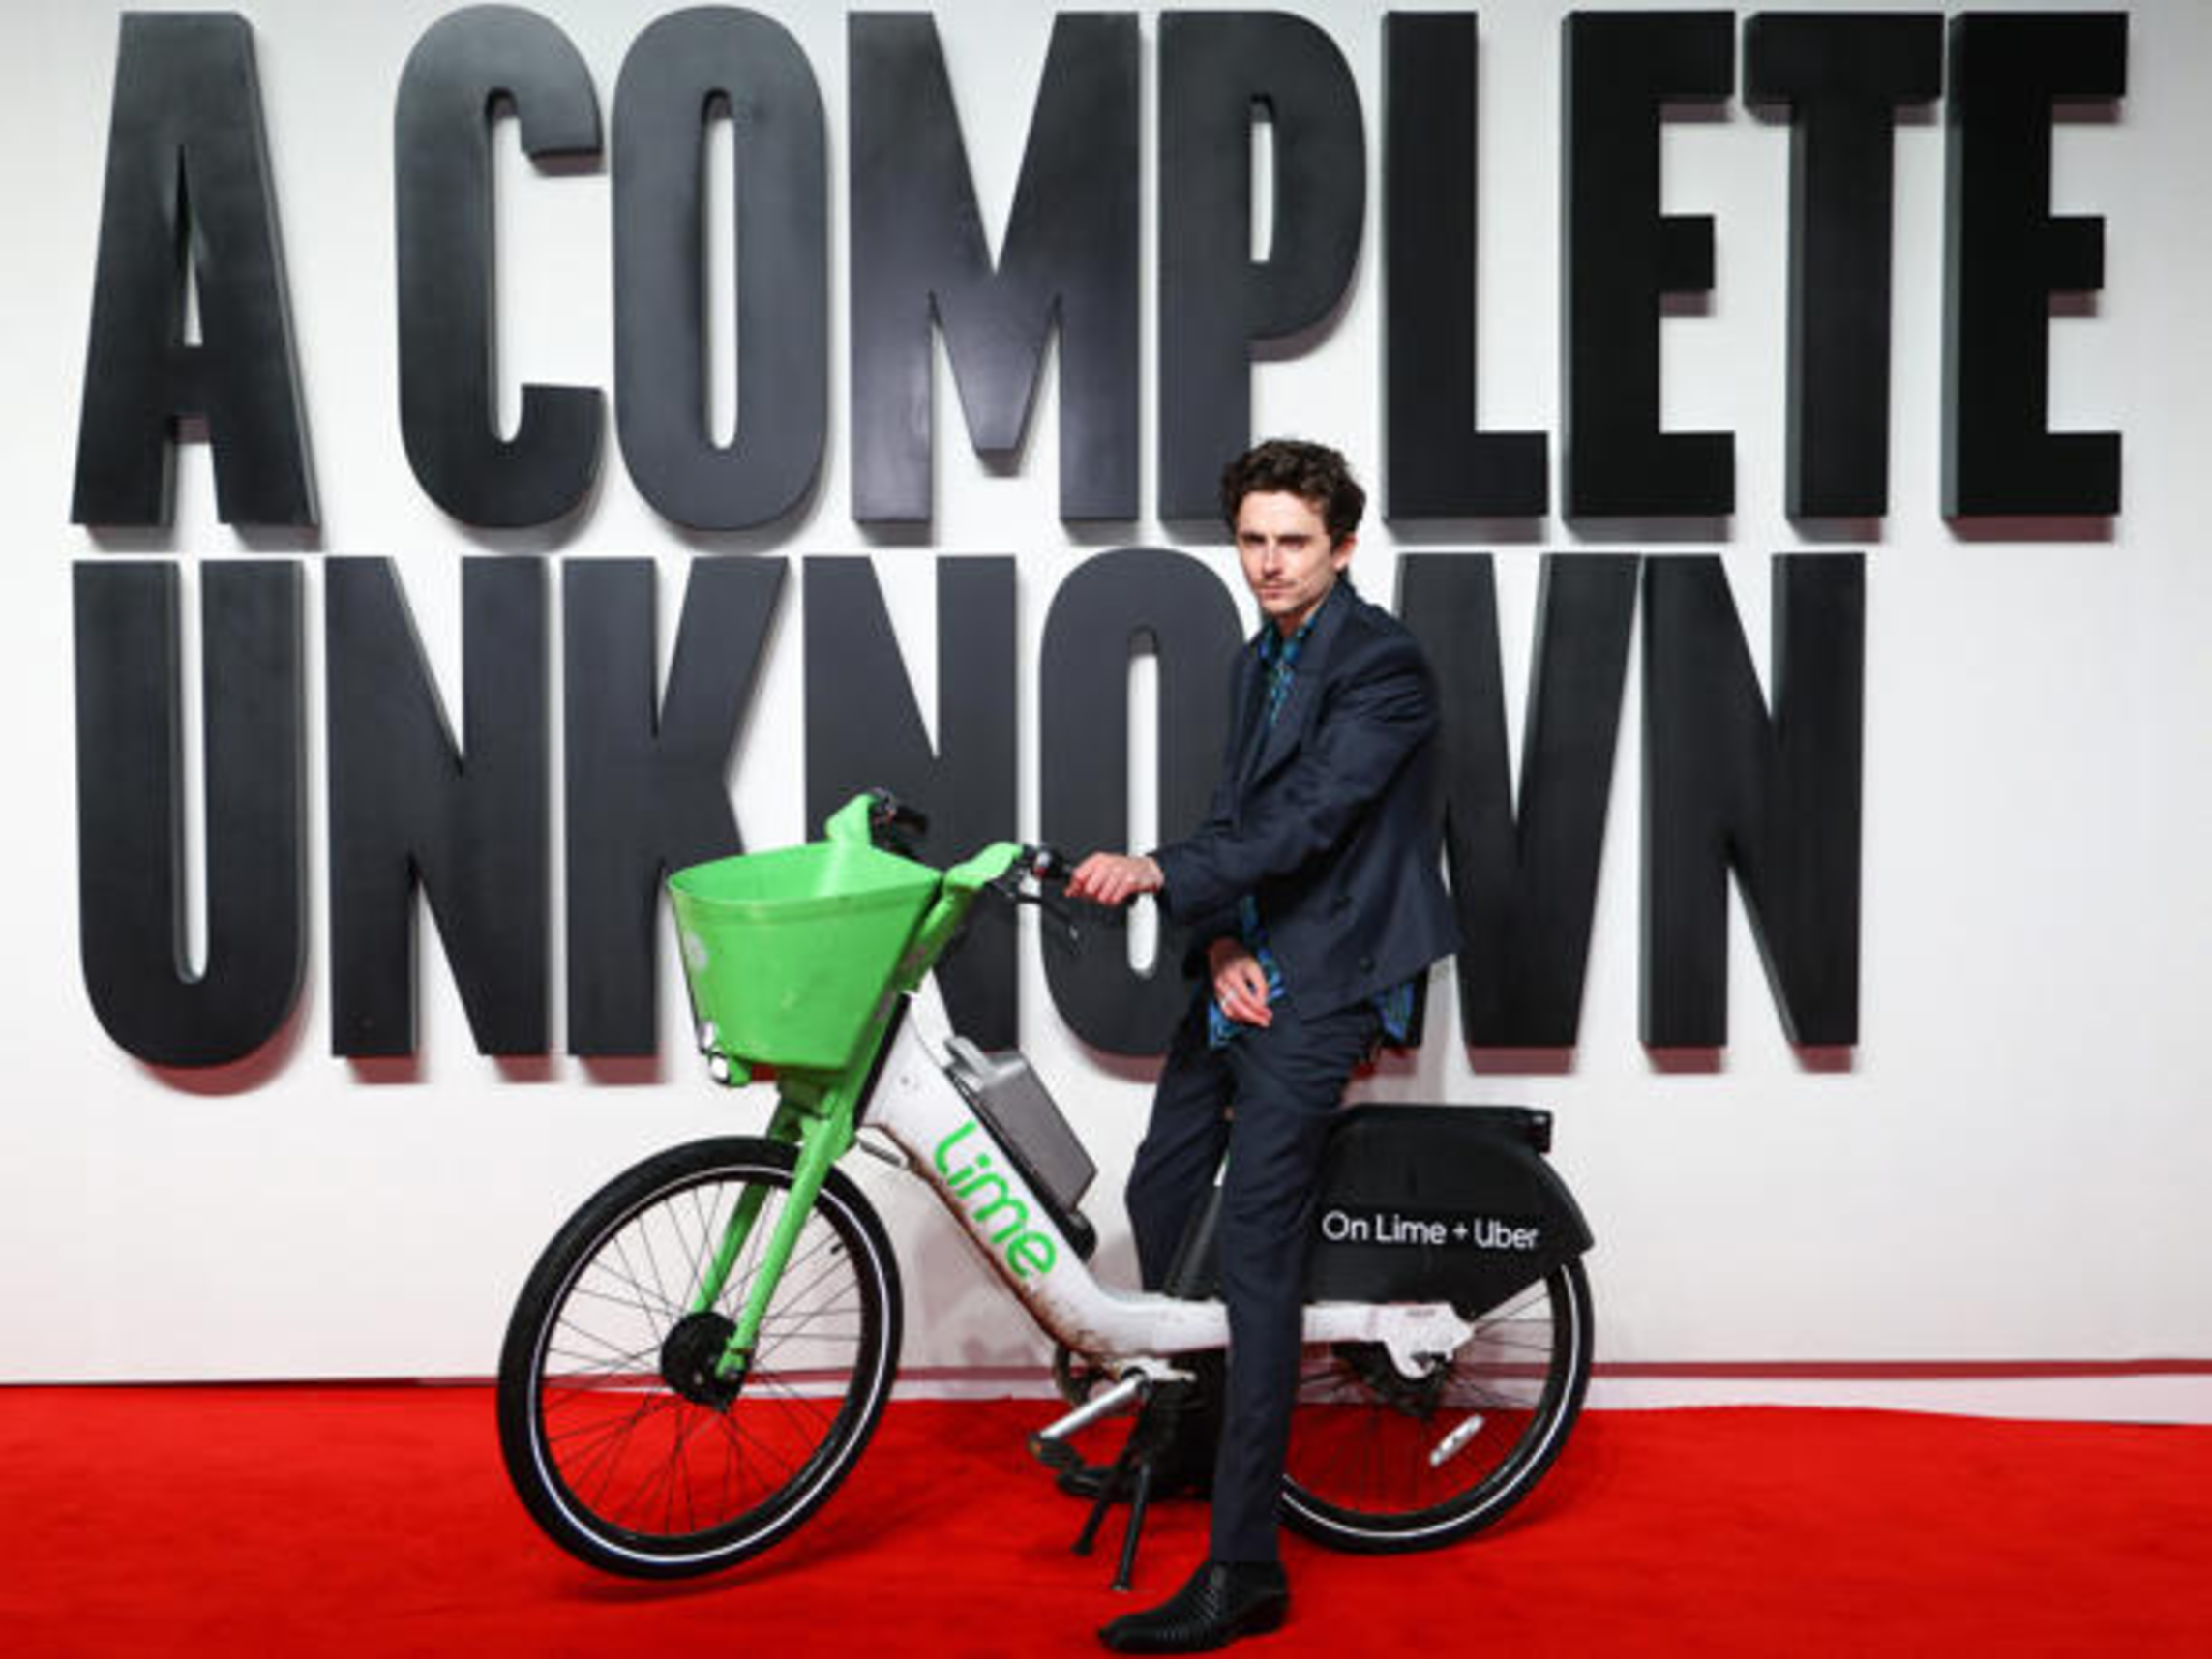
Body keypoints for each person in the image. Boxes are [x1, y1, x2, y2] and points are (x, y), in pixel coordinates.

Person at [1065, 439, 1461, 1653]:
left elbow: (1313, 819)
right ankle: (1191, 1439)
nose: (1271, 562)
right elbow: (1242, 818)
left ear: (1343, 546)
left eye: (1294, 541)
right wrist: (1222, 937)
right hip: (1253, 956)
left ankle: (1245, 1565)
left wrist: (1159, 872)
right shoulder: (1260, 658)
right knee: (1162, 1186)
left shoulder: (1382, 663)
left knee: (1257, 1253)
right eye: (1252, 539)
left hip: (1333, 967)